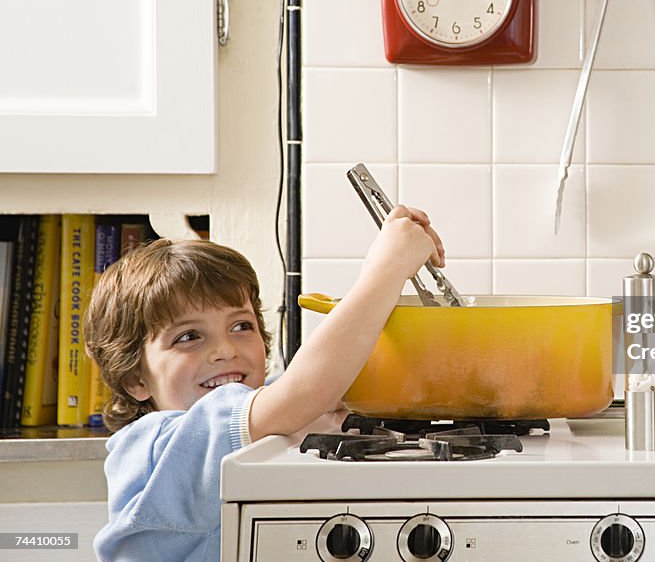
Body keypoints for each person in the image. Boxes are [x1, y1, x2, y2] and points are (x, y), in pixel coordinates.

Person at [84, 205, 444, 561]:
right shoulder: (158, 445)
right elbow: (303, 393)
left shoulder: (256, 414)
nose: (224, 350)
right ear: (134, 379)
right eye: (189, 336)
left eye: (241, 326)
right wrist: (387, 268)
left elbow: (315, 390)